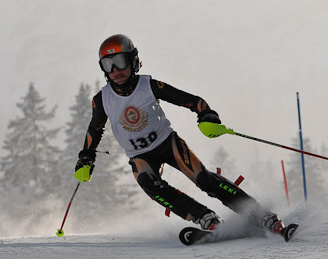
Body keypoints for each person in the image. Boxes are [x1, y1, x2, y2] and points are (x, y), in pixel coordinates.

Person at [75, 33, 287, 237]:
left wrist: (207, 115)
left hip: (168, 144)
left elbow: (193, 101)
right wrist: (86, 156)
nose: (115, 70)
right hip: (140, 156)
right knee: (151, 186)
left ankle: (261, 216)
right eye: (107, 64)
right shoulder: (102, 99)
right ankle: (205, 218)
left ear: (133, 60)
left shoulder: (147, 85)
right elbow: (95, 129)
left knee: (204, 179)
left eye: (120, 61)